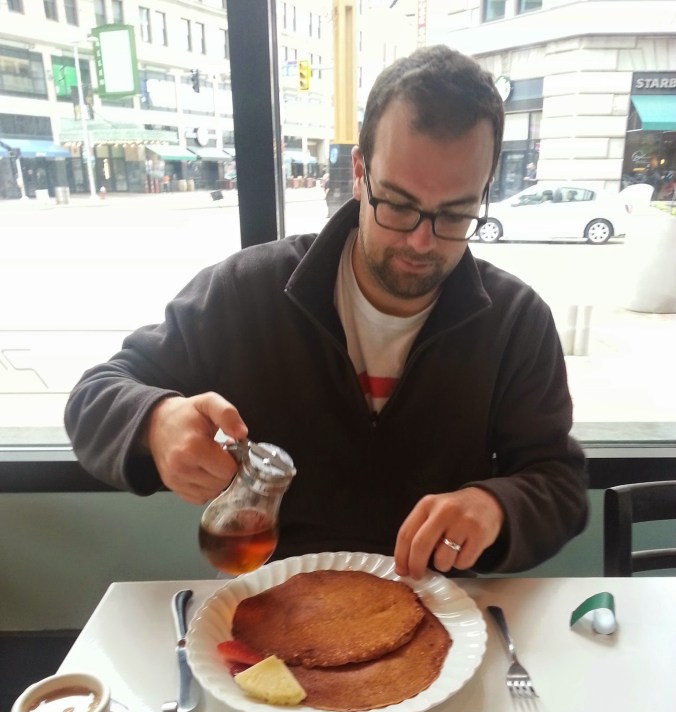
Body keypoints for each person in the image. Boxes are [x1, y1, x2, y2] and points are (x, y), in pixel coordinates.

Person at [64, 45, 588, 580]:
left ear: (483, 193)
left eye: (454, 214)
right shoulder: (249, 292)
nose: (421, 240)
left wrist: (495, 506)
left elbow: (560, 484)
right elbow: (94, 396)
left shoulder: (516, 322)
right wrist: (154, 421)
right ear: (360, 172)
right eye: (399, 204)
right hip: (277, 613)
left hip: (440, 620)